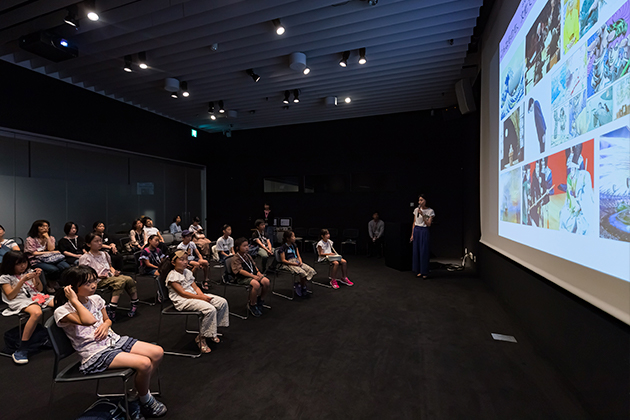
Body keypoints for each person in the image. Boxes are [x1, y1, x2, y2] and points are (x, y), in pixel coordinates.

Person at [54, 266, 167, 417]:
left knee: (157, 352)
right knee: (144, 363)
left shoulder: (96, 299)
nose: (93, 285)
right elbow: (89, 320)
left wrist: (106, 325)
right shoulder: (62, 311)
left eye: (94, 281)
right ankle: (145, 400)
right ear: (72, 287)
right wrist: (74, 300)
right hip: (94, 353)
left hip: (113, 340)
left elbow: (107, 320)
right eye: (87, 283)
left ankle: (134, 395)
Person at [160, 250, 229, 353]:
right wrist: (201, 298)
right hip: (182, 300)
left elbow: (195, 287)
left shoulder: (187, 272)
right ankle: (201, 338)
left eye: (186, 259)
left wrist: (202, 295)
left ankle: (211, 331)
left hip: (194, 296)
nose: (185, 262)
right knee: (210, 309)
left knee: (222, 302)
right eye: (181, 260)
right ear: (173, 263)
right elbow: (183, 293)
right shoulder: (172, 276)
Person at [1, 251, 53, 364]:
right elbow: (10, 296)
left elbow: (39, 289)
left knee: (61, 303)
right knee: (37, 313)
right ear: (10, 264)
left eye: (24, 262)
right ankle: (22, 349)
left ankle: (57, 336)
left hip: (35, 296)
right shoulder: (5, 278)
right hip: (18, 300)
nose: (23, 266)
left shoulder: (29, 272)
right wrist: (22, 280)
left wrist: (37, 278)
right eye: (18, 264)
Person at [79, 233, 139, 321]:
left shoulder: (105, 254)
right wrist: (98, 276)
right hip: (97, 280)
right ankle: (112, 309)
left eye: (100, 241)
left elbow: (110, 267)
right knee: (120, 281)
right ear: (88, 244)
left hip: (109, 277)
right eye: (96, 241)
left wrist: (114, 272)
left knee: (129, 279)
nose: (100, 243)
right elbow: (84, 274)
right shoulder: (85, 257)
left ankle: (134, 303)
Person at [25, 219, 70, 293]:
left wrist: (48, 238)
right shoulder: (30, 239)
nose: (45, 228)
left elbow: (51, 249)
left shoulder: (51, 238)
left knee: (66, 266)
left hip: (51, 259)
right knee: (53, 269)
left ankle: (59, 283)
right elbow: (34, 253)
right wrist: (48, 252)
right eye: (42, 226)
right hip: (36, 260)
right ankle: (51, 283)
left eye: (47, 226)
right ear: (36, 227)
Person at [230, 237, 270, 317]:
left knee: (266, 281)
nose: (247, 247)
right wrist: (253, 276)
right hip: (242, 278)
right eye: (244, 246)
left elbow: (254, 266)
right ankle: (252, 304)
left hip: (252, 275)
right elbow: (240, 271)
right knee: (256, 284)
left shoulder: (247, 256)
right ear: (237, 248)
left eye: (247, 245)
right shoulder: (236, 258)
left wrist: (258, 273)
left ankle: (260, 300)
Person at [278, 230, 316, 298]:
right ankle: (303, 286)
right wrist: (293, 264)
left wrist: (300, 262)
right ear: (288, 238)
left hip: (297, 261)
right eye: (293, 236)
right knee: (302, 273)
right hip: (289, 263)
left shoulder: (294, 245)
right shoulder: (283, 248)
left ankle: (300, 284)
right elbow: (283, 260)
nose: (294, 238)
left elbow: (298, 256)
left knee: (311, 271)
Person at [410, 195, 435, 278]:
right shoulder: (416, 210)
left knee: (424, 251)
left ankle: (424, 271)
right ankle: (418, 270)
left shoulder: (430, 211)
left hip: (424, 231)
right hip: (417, 230)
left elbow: (429, 224)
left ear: (426, 201)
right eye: (419, 200)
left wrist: (423, 215)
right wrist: (412, 234)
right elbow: (414, 222)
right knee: (416, 251)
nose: (419, 202)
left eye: (421, 200)